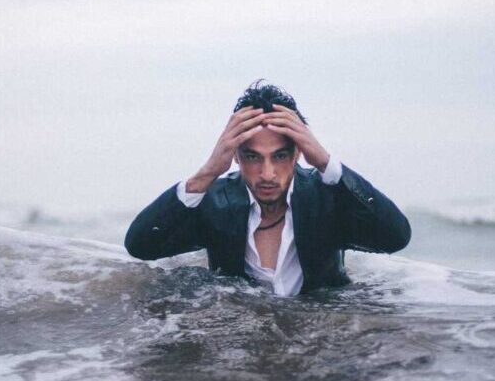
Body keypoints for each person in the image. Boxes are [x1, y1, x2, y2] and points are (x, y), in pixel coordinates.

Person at [125, 81, 411, 296]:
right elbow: (140, 246)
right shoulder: (215, 203)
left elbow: (396, 236)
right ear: (235, 155)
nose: (267, 173)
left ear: (298, 152)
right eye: (252, 157)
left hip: (320, 345)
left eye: (280, 155)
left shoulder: (327, 198)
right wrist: (208, 172)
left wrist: (325, 161)